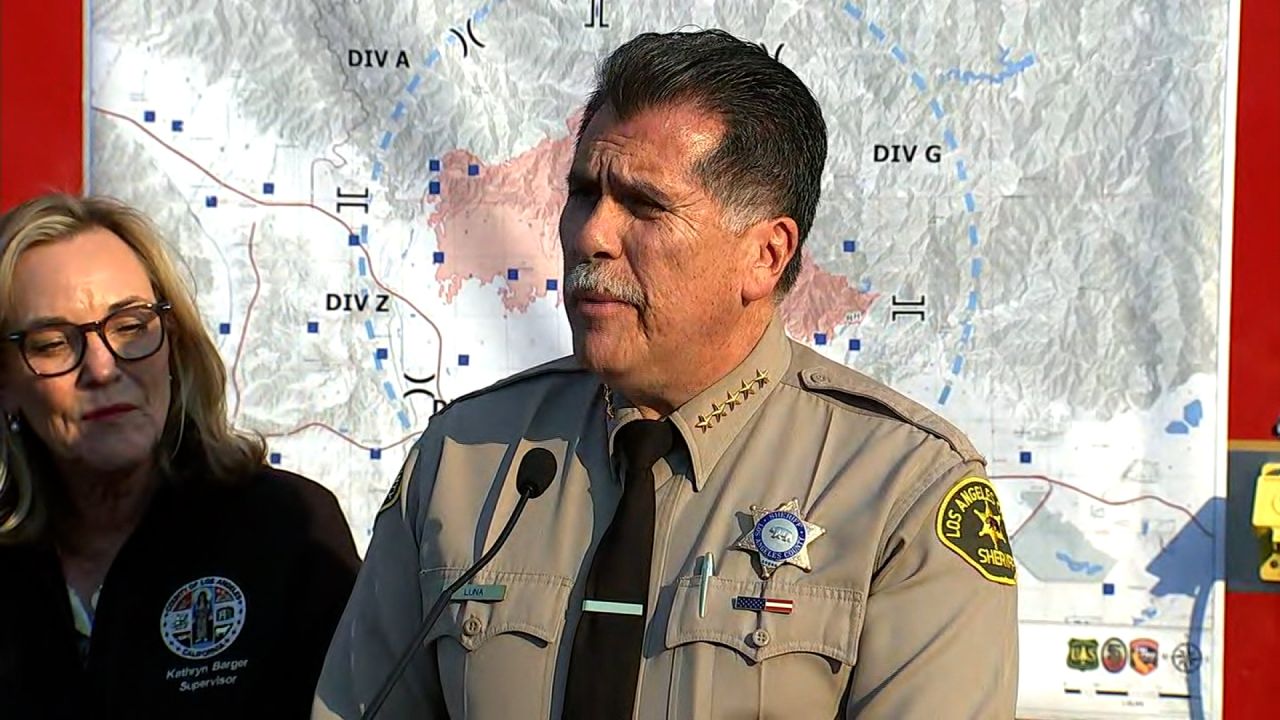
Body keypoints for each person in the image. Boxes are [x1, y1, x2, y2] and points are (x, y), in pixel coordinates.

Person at [314, 28, 1018, 719]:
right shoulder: (467, 460)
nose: (592, 235)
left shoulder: (900, 491)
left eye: (645, 205)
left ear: (765, 255)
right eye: (587, 192)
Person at [0, 193, 361, 718]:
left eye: (130, 326)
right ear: (5, 382)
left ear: (174, 343)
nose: (102, 368)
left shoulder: (288, 533)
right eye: (53, 342)